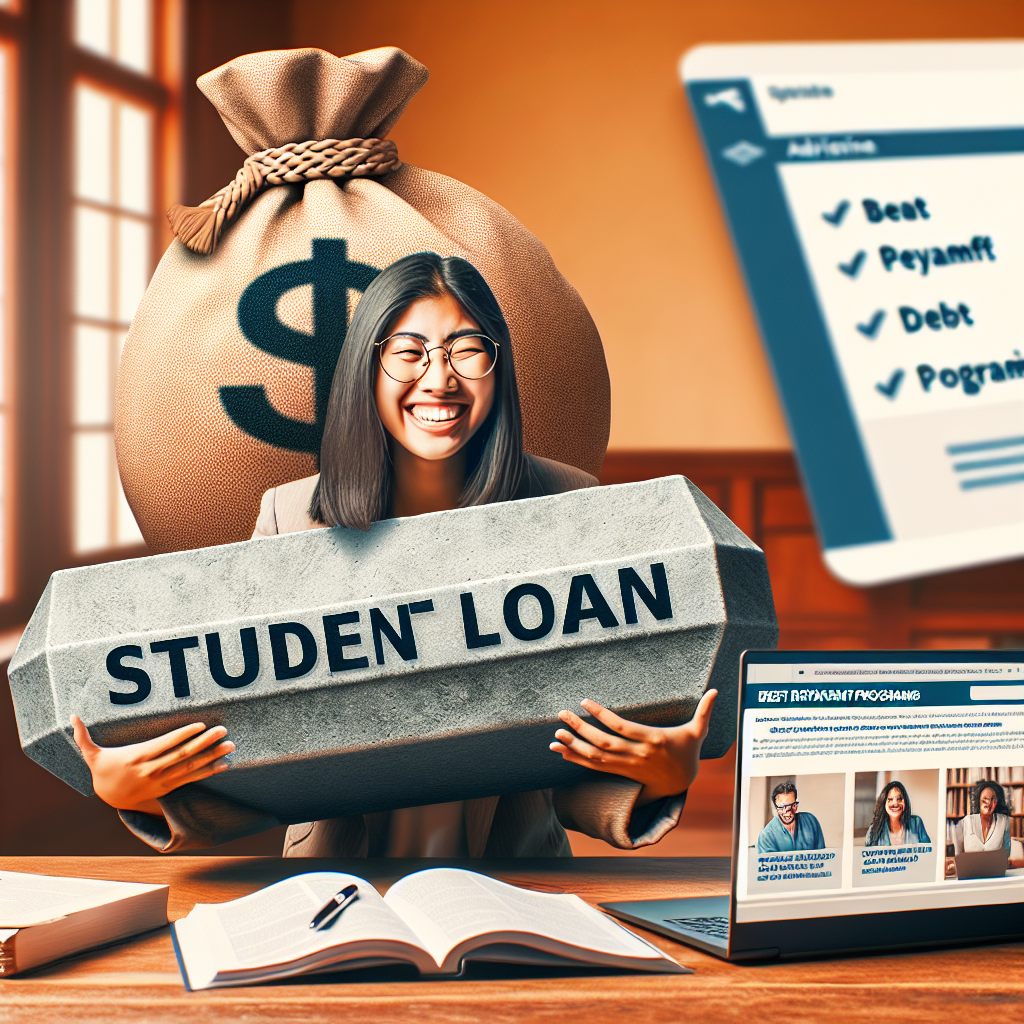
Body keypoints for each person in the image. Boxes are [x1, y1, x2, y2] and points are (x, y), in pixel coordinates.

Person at [71, 252, 718, 858]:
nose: (440, 378)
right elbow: (258, 744)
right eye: (408, 352)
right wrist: (147, 794)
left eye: (468, 351)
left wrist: (657, 776)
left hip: (521, 885)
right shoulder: (290, 518)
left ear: (501, 367)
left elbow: (576, 750)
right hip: (335, 890)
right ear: (366, 368)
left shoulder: (571, 505)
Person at [953, 781, 1023, 867]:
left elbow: (1006, 855)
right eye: (985, 799)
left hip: (995, 874)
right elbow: (958, 858)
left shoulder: (1004, 821)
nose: (988, 804)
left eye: (992, 799)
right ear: (978, 800)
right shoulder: (964, 822)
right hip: (970, 874)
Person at [757, 782, 825, 853]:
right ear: (776, 808)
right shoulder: (766, 836)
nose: (788, 812)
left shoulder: (811, 821)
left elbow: (822, 857)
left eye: (792, 806)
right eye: (782, 807)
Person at [865, 780, 930, 847]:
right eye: (890, 799)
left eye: (899, 799)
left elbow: (929, 853)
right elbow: (868, 856)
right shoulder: (874, 829)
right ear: (883, 803)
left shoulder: (916, 823)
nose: (895, 803)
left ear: (905, 802)